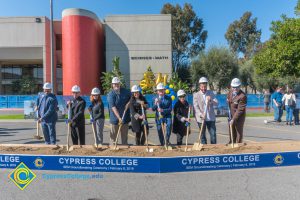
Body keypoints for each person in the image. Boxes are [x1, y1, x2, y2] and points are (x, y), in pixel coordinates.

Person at [193, 77, 218, 144]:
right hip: (201, 119)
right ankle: (205, 150)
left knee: (213, 135)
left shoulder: (211, 93)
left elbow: (216, 103)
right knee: (203, 136)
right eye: (202, 87)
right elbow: (196, 107)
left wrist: (211, 100)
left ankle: (214, 150)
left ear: (206, 86)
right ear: (199, 86)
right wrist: (201, 115)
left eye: (205, 86)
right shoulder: (196, 95)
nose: (203, 88)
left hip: (211, 118)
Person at [107, 77, 131, 145]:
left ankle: (124, 153)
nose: (116, 85)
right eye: (115, 84)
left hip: (125, 119)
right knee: (113, 139)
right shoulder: (110, 94)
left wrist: (128, 103)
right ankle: (112, 151)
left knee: (124, 139)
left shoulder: (125, 91)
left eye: (117, 84)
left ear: (120, 84)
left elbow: (132, 97)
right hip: (114, 120)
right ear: (112, 85)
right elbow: (113, 107)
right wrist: (119, 118)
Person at [227, 78, 247, 144]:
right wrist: (228, 101)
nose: (235, 89)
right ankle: (231, 142)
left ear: (240, 86)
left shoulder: (242, 96)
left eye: (237, 87)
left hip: (239, 117)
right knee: (231, 129)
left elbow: (240, 109)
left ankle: (238, 145)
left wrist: (233, 119)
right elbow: (229, 99)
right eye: (233, 87)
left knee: (238, 132)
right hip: (231, 115)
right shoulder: (230, 91)